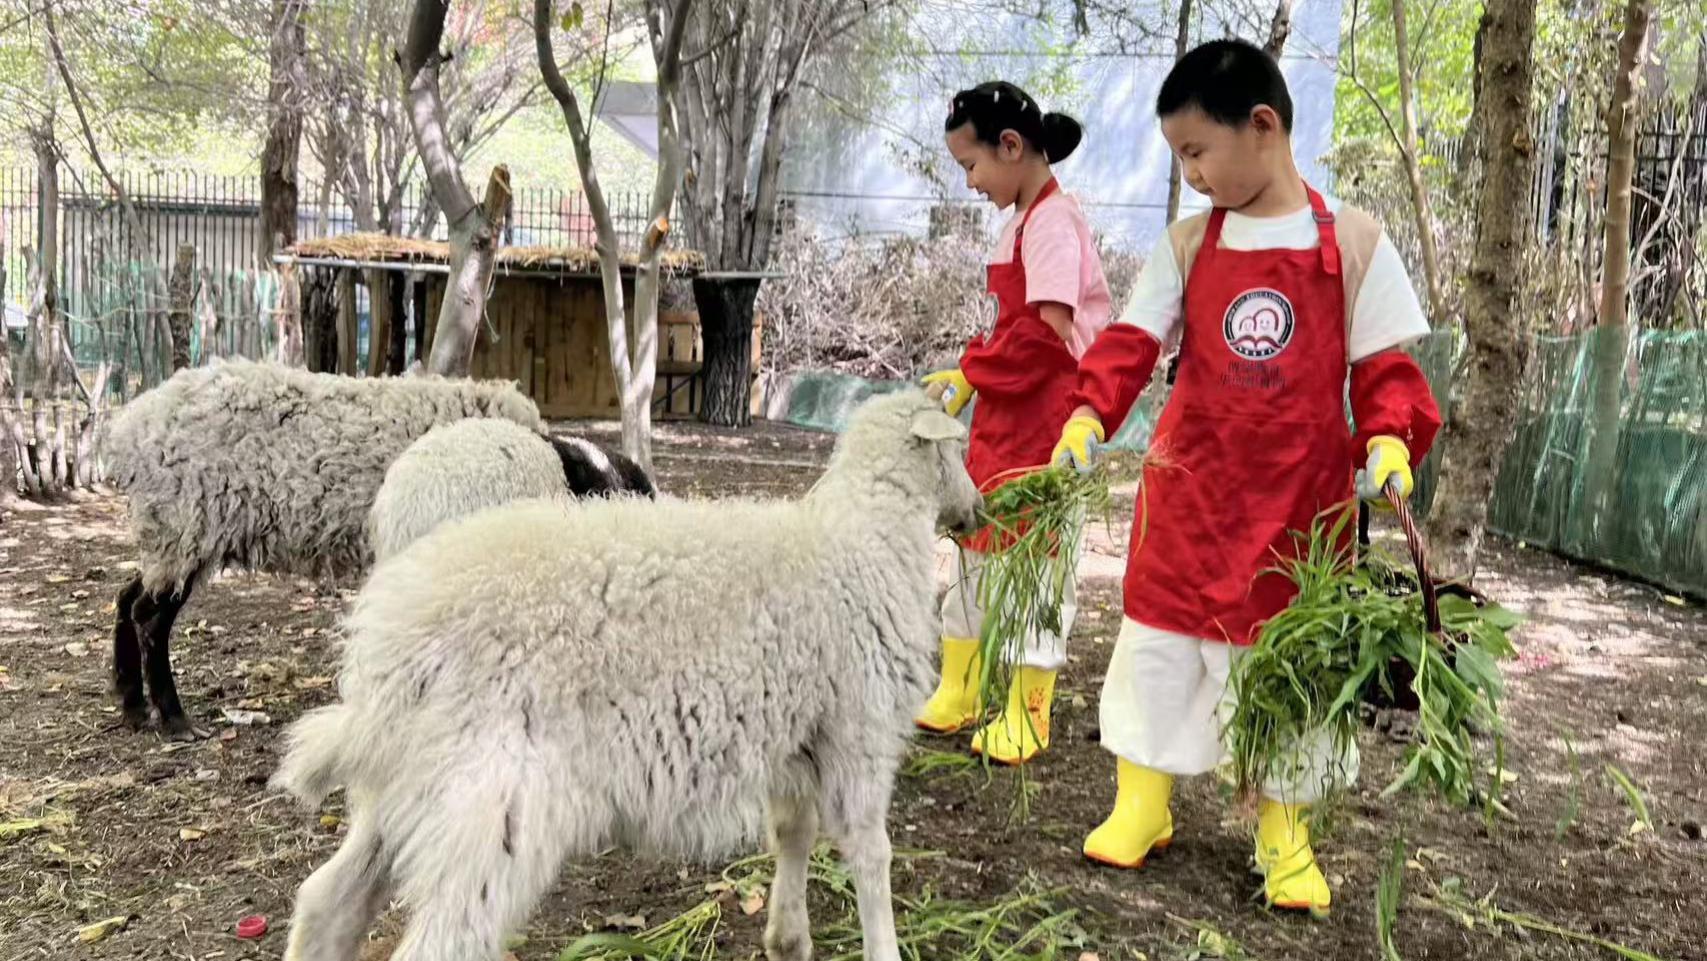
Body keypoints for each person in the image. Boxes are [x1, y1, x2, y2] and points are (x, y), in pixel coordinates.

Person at [1051, 39, 1443, 916]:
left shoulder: (1354, 241)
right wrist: (1087, 414)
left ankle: (1282, 833)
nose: (1187, 173)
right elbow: (1129, 344)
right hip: (1188, 499)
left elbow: (1384, 371)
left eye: (1195, 151)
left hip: (1297, 518)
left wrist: (1388, 445)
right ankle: (1140, 803)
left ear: (1262, 126)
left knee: (1287, 674)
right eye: (1178, 156)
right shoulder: (1189, 243)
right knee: (1155, 651)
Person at [915, 81, 1113, 765]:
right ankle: (960, 685)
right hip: (1004, 420)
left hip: (1046, 425)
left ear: (1010, 146)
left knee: (1035, 565)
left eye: (970, 165)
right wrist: (974, 375)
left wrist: (974, 372)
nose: (968, 182)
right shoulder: (1020, 221)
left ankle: (1028, 711)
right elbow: (1012, 330)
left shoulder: (1056, 223)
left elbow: (1045, 336)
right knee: (974, 542)